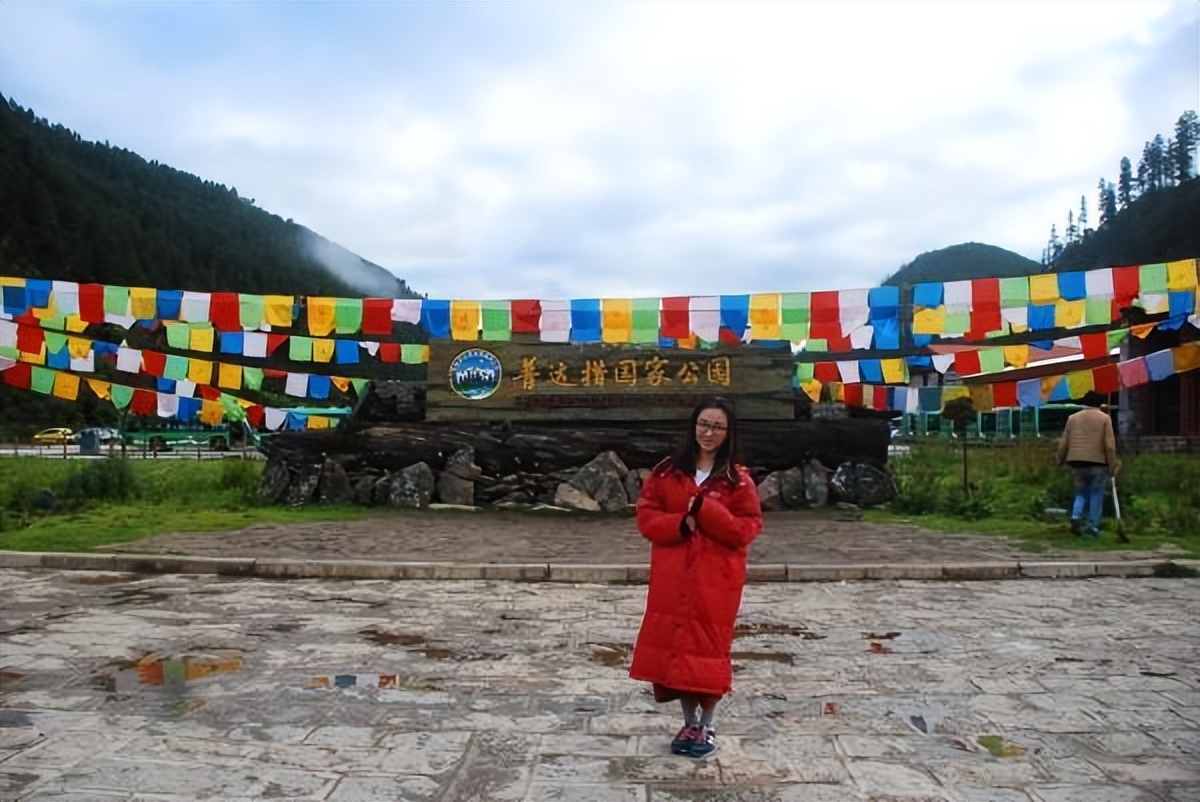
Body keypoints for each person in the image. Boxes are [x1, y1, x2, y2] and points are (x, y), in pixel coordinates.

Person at [629, 396, 763, 759]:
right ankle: (688, 721)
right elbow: (646, 515)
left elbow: (746, 529)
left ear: (728, 433)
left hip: (715, 580)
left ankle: (708, 724)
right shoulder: (667, 473)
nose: (709, 432)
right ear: (693, 425)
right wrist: (678, 524)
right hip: (673, 577)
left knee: (708, 649)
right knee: (677, 649)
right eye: (704, 424)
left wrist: (708, 511)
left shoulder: (738, 481)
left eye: (718, 427)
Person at [1056, 402, 1119, 539]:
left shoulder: (1072, 418)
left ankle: (1076, 516)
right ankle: (1092, 527)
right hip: (1098, 462)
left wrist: (1060, 460)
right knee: (1096, 493)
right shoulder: (1104, 418)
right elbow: (1109, 446)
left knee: (1081, 492)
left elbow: (1064, 443)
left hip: (1077, 462)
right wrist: (1112, 464)